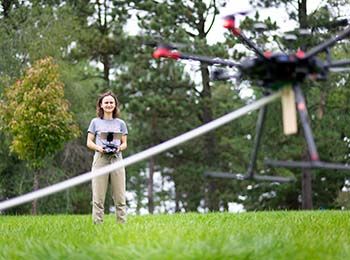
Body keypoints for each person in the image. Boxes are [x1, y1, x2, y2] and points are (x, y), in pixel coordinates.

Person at [87, 91, 128, 224]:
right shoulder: (95, 122)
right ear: (101, 105)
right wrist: (99, 148)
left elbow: (124, 143)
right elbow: (89, 142)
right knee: (98, 197)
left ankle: (121, 225)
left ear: (115, 105)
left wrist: (119, 148)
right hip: (100, 159)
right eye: (106, 102)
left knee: (120, 196)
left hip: (116, 158)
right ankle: (98, 225)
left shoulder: (121, 123)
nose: (109, 105)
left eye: (111, 102)